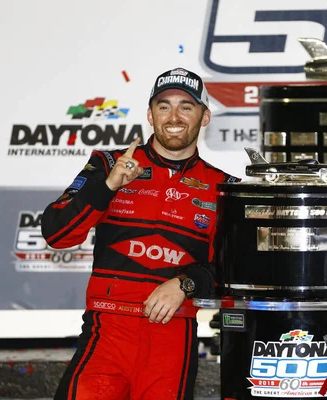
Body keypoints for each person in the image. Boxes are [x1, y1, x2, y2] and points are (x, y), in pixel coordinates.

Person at [41, 67, 238, 400]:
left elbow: (235, 271)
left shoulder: (224, 189)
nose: (174, 116)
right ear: (150, 114)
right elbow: (57, 234)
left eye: (186, 107)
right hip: (108, 330)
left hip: (172, 334)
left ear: (204, 117)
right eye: (164, 106)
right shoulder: (109, 164)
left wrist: (186, 284)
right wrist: (108, 187)